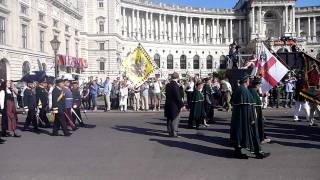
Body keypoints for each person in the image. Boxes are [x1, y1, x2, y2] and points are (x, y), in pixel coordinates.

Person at [230, 74, 270, 159]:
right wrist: (251, 118)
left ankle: (238, 152)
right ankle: (258, 153)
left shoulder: (240, 89)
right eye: (248, 80)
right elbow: (247, 107)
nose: (249, 81)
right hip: (246, 118)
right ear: (246, 81)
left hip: (240, 118)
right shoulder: (243, 90)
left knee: (239, 134)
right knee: (251, 134)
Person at [248, 77, 271, 144]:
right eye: (259, 85)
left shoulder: (253, 90)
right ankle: (260, 139)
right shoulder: (253, 91)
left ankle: (262, 137)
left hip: (257, 111)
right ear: (257, 85)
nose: (260, 86)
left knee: (259, 125)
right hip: (256, 112)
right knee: (258, 125)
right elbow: (254, 104)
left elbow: (259, 95)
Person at [164, 72, 185, 137]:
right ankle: (174, 133)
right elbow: (178, 96)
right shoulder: (175, 85)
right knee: (175, 118)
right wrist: (182, 105)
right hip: (174, 105)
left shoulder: (168, 85)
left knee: (169, 118)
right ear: (177, 77)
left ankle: (170, 132)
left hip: (168, 104)